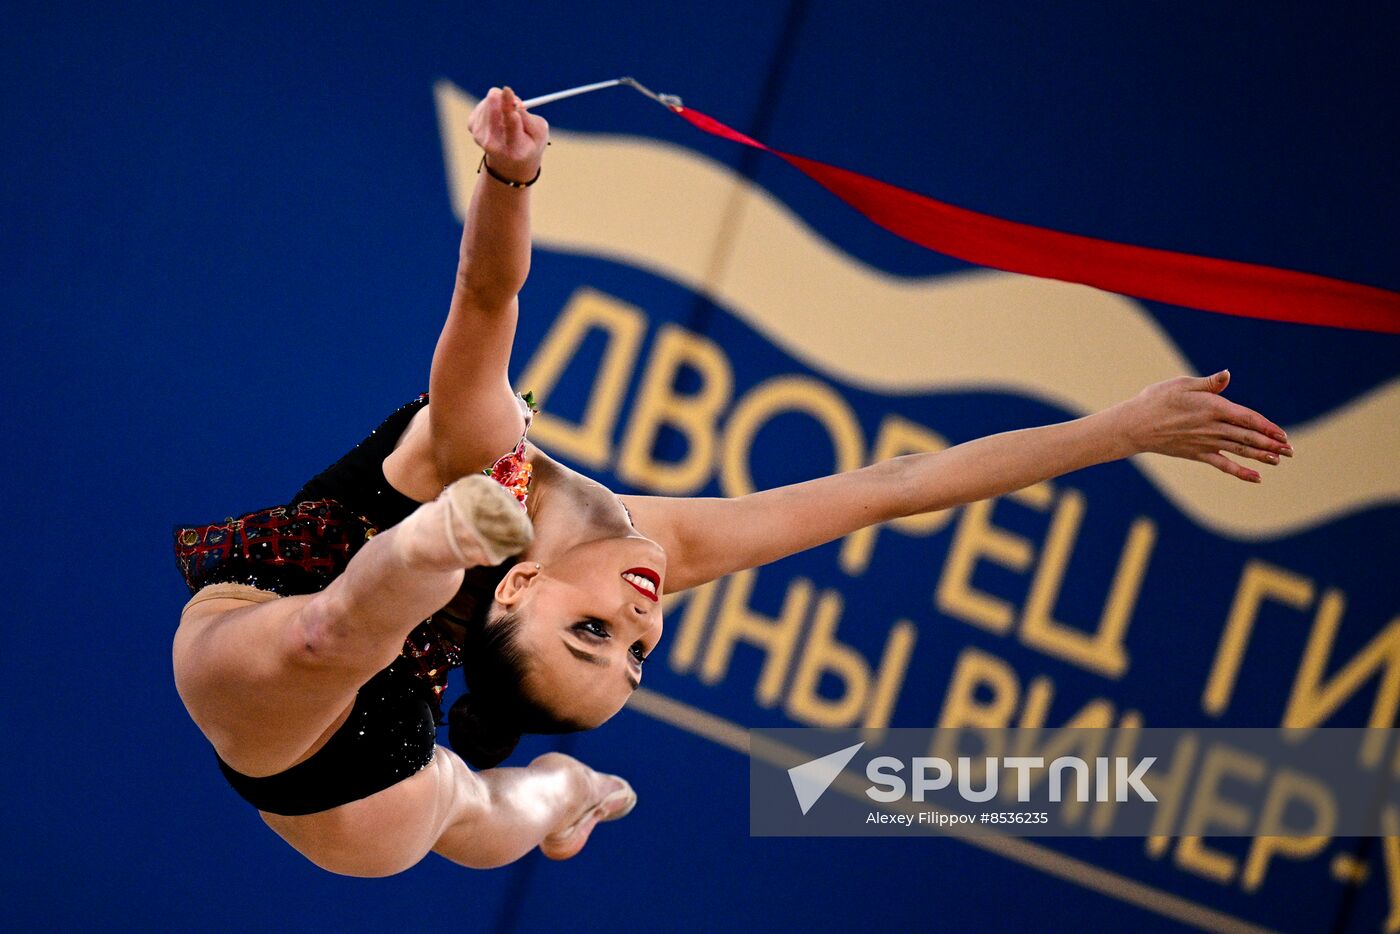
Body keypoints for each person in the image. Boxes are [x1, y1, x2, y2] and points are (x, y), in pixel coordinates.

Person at [171, 86, 1295, 877]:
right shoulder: (665, 549)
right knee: (495, 792)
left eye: (593, 634)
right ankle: (574, 781)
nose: (638, 622)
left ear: (514, 592)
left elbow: (484, 296)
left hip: (317, 725)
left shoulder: (481, 445)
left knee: (400, 729)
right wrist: (1121, 426)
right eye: (636, 654)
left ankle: (450, 583)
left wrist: (510, 175)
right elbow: (902, 483)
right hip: (357, 677)